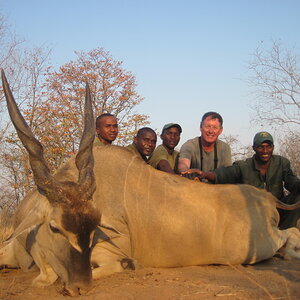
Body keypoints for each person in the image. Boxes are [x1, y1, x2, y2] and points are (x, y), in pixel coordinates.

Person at [197, 131, 300, 229]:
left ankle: (285, 234)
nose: (265, 151)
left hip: (278, 209)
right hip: (253, 213)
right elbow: (224, 173)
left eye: (268, 147)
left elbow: (291, 182)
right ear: (254, 148)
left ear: (273, 147)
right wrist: (204, 174)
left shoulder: (282, 163)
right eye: (260, 147)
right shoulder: (244, 166)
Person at [178, 112, 232, 178]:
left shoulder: (225, 148)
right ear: (201, 127)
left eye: (215, 127)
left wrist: (205, 175)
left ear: (220, 130)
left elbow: (228, 173)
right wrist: (185, 171)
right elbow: (183, 164)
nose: (210, 131)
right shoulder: (189, 145)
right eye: (207, 126)